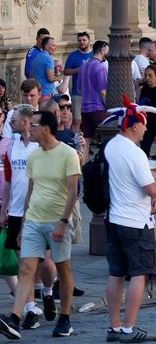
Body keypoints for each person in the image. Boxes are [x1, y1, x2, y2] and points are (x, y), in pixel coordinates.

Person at [0, 110, 80, 339]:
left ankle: (65, 318)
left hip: (58, 220)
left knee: (63, 270)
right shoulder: (34, 156)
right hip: (34, 219)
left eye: (34, 125)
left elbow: (73, 192)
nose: (30, 128)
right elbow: (31, 191)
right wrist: (24, 224)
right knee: (26, 268)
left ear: (45, 129)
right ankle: (15, 318)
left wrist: (63, 223)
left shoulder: (68, 154)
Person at [103, 98, 156, 342]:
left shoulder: (111, 146)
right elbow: (150, 189)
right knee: (140, 274)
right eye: (144, 124)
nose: (146, 128)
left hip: (114, 218)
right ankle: (129, 328)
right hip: (136, 221)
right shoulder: (135, 153)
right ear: (134, 125)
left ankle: (114, 326)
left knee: (116, 273)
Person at [77, 40, 109, 142]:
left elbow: (79, 89)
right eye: (107, 51)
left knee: (86, 140)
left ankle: (84, 158)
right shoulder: (100, 67)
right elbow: (103, 91)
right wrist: (108, 106)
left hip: (85, 109)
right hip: (98, 109)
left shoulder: (83, 66)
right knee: (105, 139)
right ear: (102, 50)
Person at [62, 32, 93, 131]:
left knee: (90, 120)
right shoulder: (73, 56)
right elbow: (66, 71)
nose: (82, 42)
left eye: (84, 40)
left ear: (89, 41)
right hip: (77, 93)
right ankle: (75, 142)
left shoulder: (94, 55)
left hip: (92, 93)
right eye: (79, 40)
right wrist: (77, 70)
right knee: (76, 120)